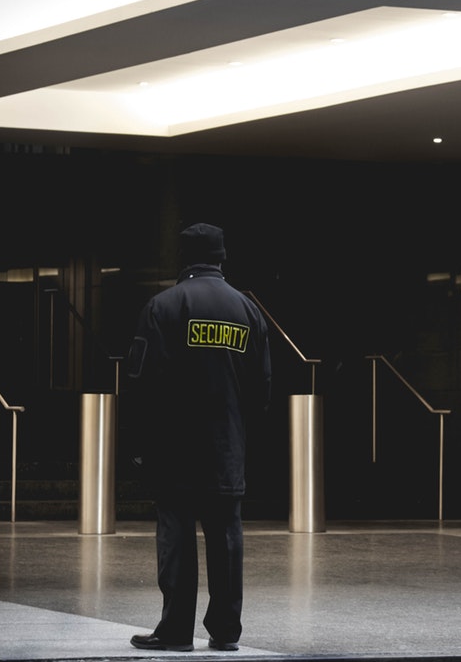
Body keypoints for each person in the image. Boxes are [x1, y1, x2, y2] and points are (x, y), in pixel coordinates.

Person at [125, 222, 272, 652]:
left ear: (183, 258)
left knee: (177, 539)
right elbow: (261, 391)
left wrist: (139, 446)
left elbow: (141, 384)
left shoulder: (163, 306)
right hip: (227, 448)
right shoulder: (248, 310)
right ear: (222, 257)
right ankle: (225, 632)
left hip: (174, 452)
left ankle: (175, 631)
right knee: (227, 538)